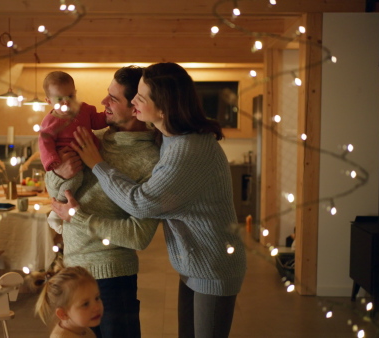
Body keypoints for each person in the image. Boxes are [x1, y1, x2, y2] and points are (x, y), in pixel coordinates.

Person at [61, 62, 247, 338]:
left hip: (213, 265)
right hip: (194, 261)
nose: (135, 100)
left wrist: (97, 165)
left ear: (163, 108)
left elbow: (142, 203)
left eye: (141, 96)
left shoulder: (188, 150)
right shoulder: (172, 138)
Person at [46, 65, 160, 338]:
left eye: (114, 98)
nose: (102, 102)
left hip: (113, 279)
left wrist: (79, 218)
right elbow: (52, 191)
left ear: (135, 107)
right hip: (73, 270)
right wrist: (60, 173)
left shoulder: (151, 161)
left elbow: (140, 235)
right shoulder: (91, 137)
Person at [39, 71, 109, 233]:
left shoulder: (84, 110)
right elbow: (45, 143)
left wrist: (108, 117)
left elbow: (96, 121)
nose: (66, 102)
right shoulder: (50, 122)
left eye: (70, 96)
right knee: (74, 181)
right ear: (48, 101)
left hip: (88, 156)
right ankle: (58, 211)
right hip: (67, 157)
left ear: (75, 93)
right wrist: (52, 161)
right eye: (59, 99)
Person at [32, 257, 104, 338]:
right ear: (63, 314)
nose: (96, 307)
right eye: (85, 304)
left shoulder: (83, 329)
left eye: (97, 298)